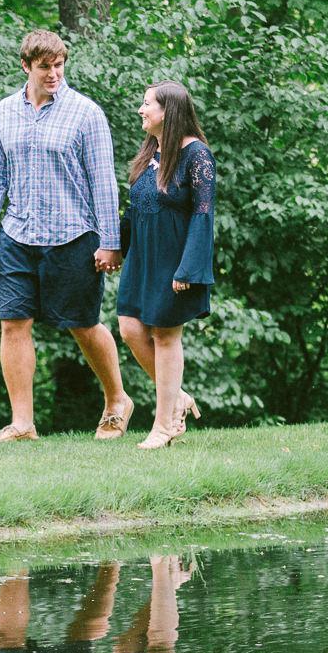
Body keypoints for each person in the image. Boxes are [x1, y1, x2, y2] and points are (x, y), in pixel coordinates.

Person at [0, 31, 134, 442]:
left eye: (59, 65)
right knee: (13, 323)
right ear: (26, 66)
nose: (54, 74)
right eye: (45, 66)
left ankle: (117, 401)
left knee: (82, 324)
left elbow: (103, 182)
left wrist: (110, 241)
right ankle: (23, 424)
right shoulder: (4, 112)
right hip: (17, 233)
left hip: (73, 235)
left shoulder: (86, 113)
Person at [116, 81, 216, 448]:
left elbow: (203, 215)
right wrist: (114, 248)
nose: (141, 110)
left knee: (164, 334)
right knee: (129, 328)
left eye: (147, 104)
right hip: (142, 257)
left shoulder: (197, 156)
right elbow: (136, 208)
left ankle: (163, 427)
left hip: (175, 259)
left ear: (168, 111)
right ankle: (177, 397)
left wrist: (188, 269)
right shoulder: (150, 152)